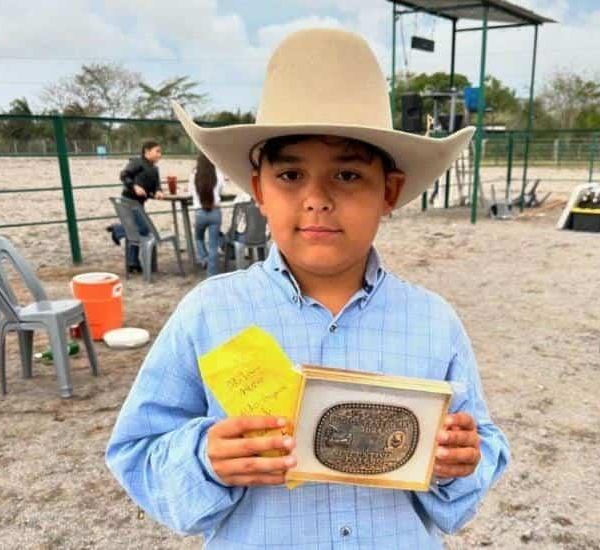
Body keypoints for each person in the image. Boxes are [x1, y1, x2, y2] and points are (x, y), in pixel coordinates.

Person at [106, 29, 509, 549]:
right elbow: (137, 451)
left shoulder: (434, 323)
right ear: (259, 190)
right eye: (291, 174)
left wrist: (460, 461)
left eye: (346, 174)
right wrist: (205, 457)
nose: (316, 198)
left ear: (388, 191)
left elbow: (479, 453)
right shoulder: (208, 313)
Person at [116, 141, 164, 272]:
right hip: (129, 201)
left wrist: (159, 191)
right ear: (147, 152)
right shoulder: (137, 163)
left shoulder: (154, 169)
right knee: (143, 229)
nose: (160, 154)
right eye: (157, 151)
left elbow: (157, 185)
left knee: (136, 230)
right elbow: (124, 175)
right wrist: (134, 186)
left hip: (139, 204)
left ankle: (133, 263)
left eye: (160, 151)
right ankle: (118, 230)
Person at [189, 153, 225, 276]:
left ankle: (203, 259)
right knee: (213, 245)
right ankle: (212, 273)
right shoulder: (218, 174)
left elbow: (190, 191)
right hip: (215, 212)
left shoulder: (194, 175)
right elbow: (221, 190)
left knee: (198, 238)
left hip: (200, 212)